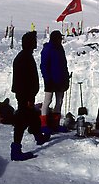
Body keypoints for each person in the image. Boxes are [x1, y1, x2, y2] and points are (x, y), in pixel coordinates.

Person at [10, 31, 50, 161]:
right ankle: (16, 150)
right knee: (21, 122)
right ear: (29, 43)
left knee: (33, 116)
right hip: (24, 96)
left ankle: (39, 137)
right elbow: (23, 81)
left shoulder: (25, 56)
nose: (35, 43)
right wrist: (28, 98)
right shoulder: (24, 58)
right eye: (33, 40)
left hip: (26, 95)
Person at [40, 30, 70, 133]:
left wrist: (66, 77)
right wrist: (47, 79)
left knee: (59, 101)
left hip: (60, 79)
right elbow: (44, 66)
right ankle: (43, 124)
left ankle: (55, 124)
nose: (61, 40)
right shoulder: (48, 49)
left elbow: (63, 63)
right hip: (50, 80)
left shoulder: (60, 48)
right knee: (47, 101)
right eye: (60, 38)